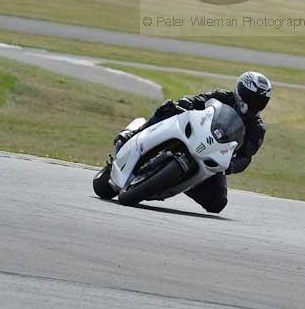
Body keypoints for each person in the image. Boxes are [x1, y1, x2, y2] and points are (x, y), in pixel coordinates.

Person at [113, 71, 272, 214]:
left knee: (218, 204)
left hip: (214, 155)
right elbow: (198, 99)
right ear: (241, 92)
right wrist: (187, 101)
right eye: (253, 99)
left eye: (260, 101)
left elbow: (246, 157)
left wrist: (231, 166)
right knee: (169, 107)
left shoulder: (257, 129)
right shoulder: (222, 96)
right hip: (195, 133)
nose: (256, 104)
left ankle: (180, 181)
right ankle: (134, 133)